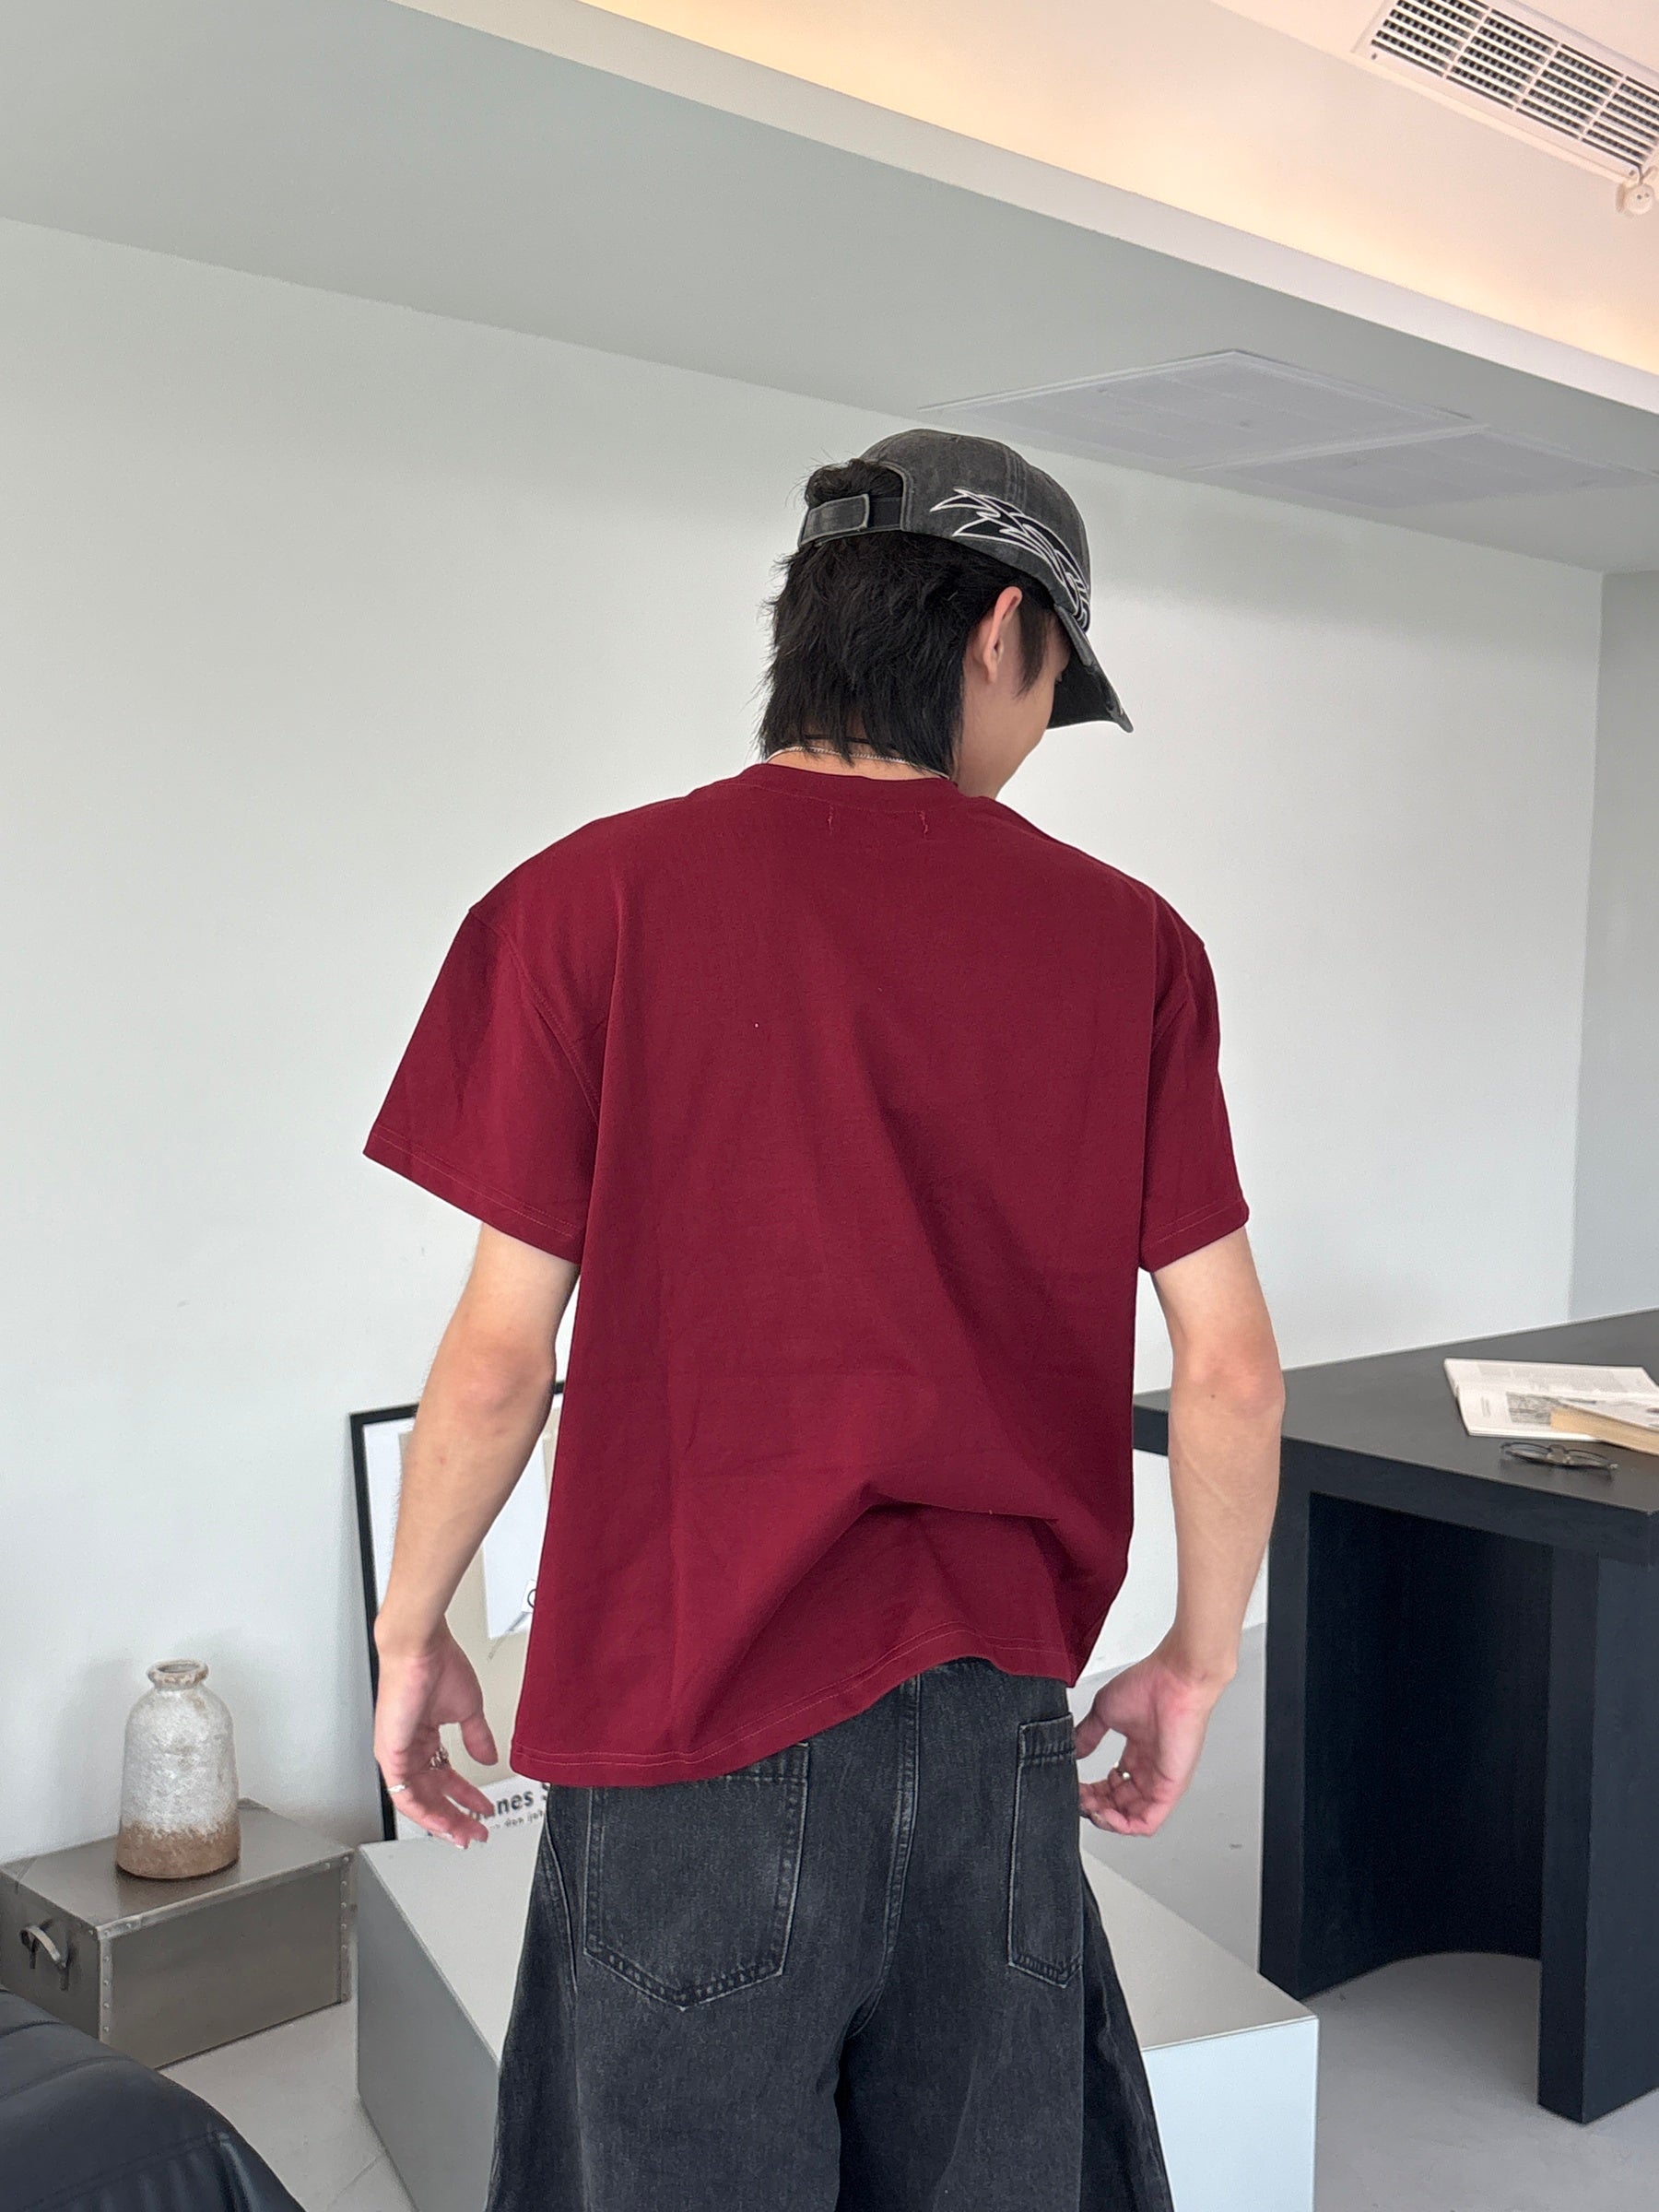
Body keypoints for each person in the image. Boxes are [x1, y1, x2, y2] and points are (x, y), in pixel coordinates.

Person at [362, 428, 1284, 2211]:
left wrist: (415, 1631)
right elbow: (1231, 1368)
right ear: (1002, 633)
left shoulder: (582, 902)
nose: (1033, 739)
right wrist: (1194, 1660)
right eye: (1052, 694)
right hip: (991, 1723)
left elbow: (497, 1360)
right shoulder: (1134, 945)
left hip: (688, 1711)